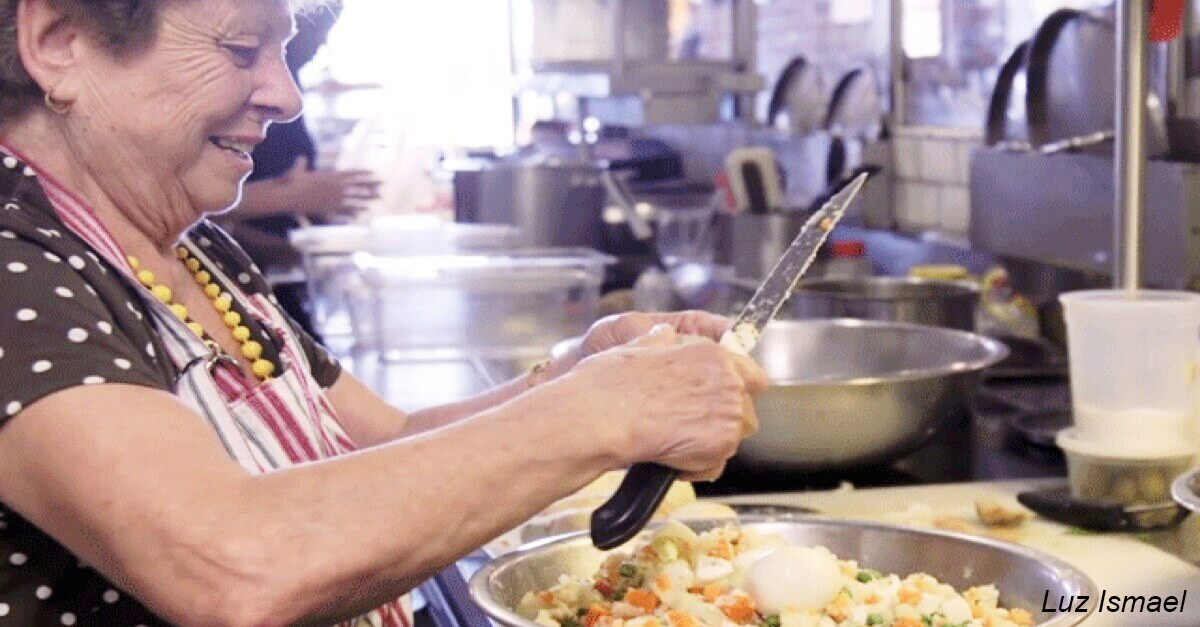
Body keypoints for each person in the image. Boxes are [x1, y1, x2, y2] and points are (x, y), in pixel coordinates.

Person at [0, 1, 768, 625]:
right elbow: (233, 564)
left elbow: (391, 442)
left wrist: (581, 370)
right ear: (60, 41)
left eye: (282, 54)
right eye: (242, 48)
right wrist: (602, 411)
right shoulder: (15, 266)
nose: (287, 95)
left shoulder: (196, 248)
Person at [220, 0, 379, 337]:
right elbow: (188, 203)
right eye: (243, 50)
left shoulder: (285, 84)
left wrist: (309, 232)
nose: (287, 102)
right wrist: (287, 197)